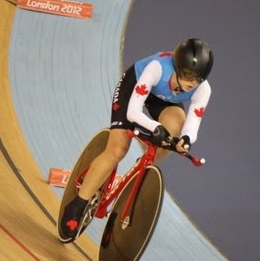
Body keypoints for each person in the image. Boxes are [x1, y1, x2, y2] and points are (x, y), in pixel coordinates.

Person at [60, 37, 214, 240]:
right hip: (134, 89)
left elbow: (193, 122)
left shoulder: (203, 90)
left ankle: (140, 169)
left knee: (174, 131)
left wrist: (185, 140)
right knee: (118, 149)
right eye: (186, 75)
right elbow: (133, 112)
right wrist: (155, 127)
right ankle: (78, 203)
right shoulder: (157, 68)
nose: (190, 83)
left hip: (164, 100)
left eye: (197, 78)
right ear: (176, 67)